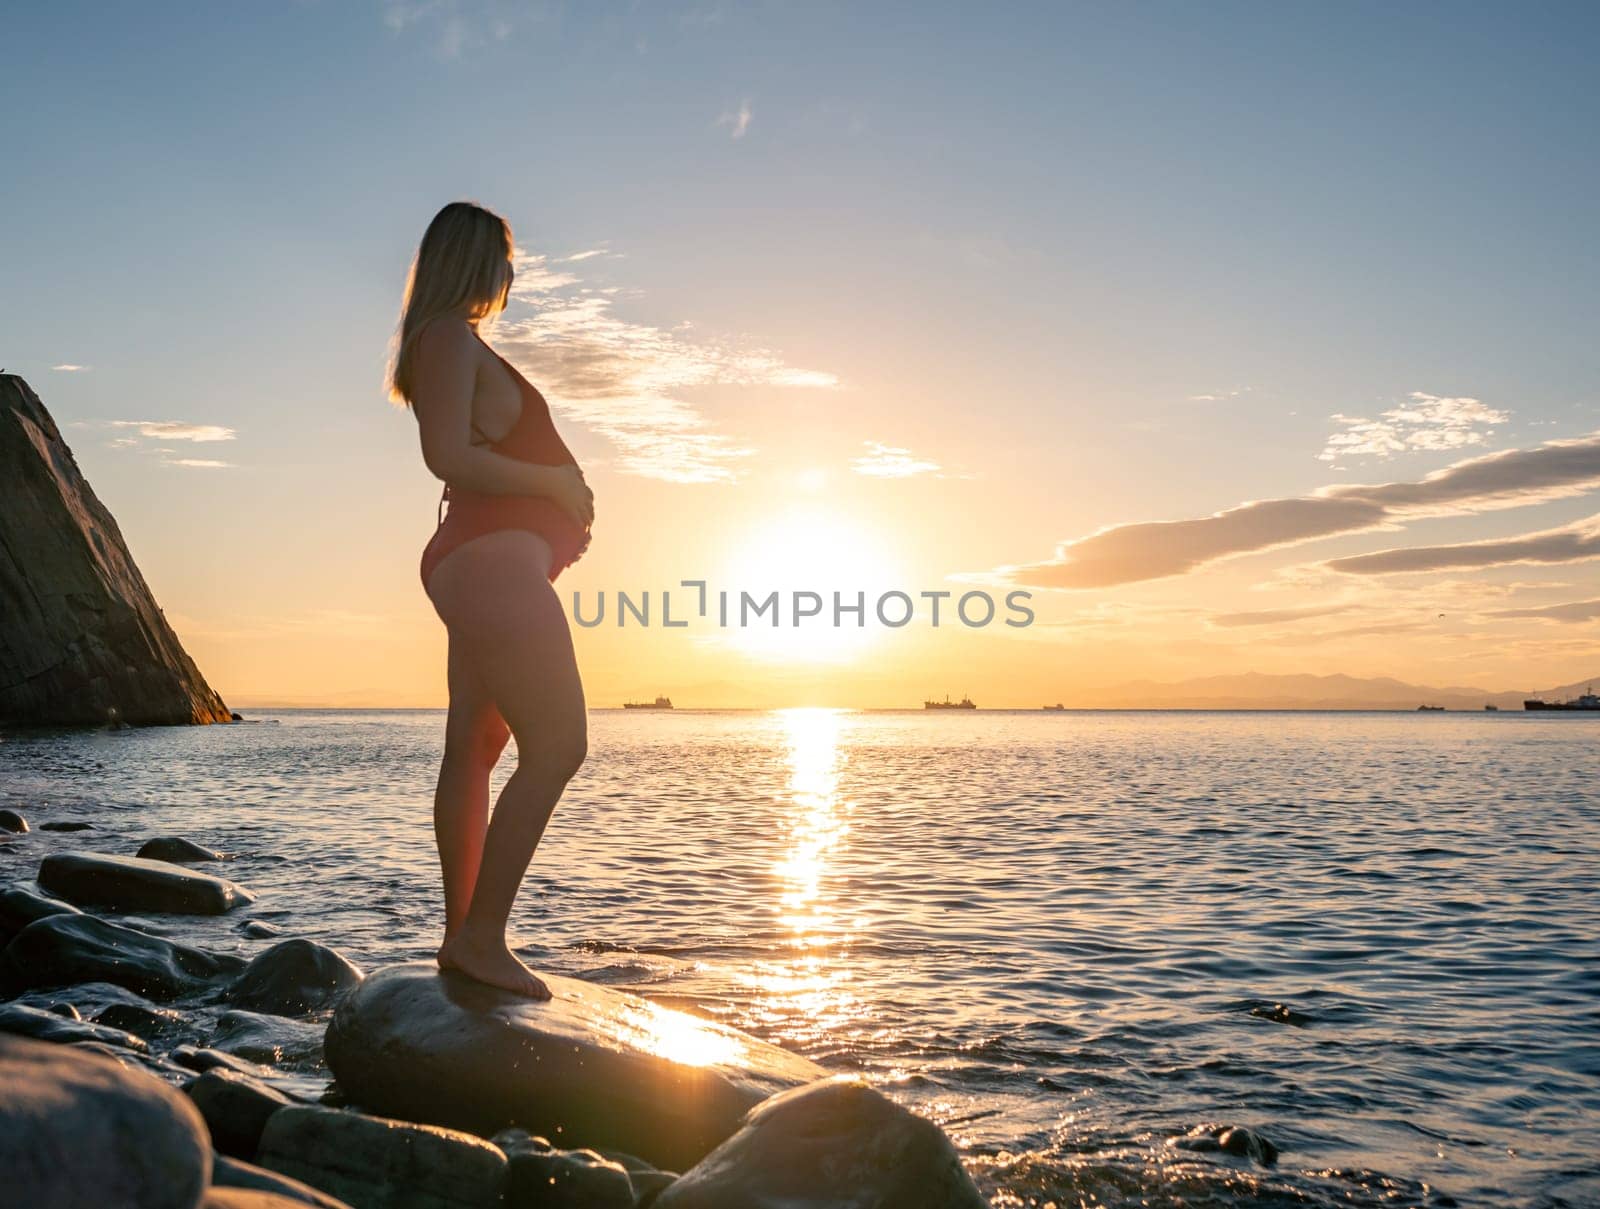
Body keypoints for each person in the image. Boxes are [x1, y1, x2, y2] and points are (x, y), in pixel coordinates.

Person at [387, 200, 594, 999]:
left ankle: (461, 937)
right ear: (475, 260)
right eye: (504, 258)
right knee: (559, 746)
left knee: (476, 746)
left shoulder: (458, 343)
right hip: (489, 565)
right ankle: (481, 937)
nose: (512, 274)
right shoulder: (444, 337)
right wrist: (555, 481)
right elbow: (446, 455)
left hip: (491, 564)